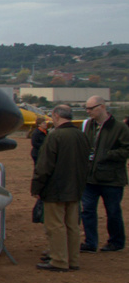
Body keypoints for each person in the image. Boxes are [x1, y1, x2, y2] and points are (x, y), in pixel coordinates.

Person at [32, 104, 92, 272]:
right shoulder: (81, 136)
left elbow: (44, 166)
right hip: (76, 188)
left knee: (55, 225)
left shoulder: (55, 136)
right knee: (72, 225)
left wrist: (37, 187)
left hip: (56, 189)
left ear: (56, 116)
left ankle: (58, 260)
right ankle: (73, 259)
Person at [80, 95, 128, 253]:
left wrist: (106, 155)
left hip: (112, 179)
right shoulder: (88, 126)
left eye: (91, 108)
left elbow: (126, 150)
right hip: (90, 178)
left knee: (113, 211)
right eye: (86, 108)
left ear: (102, 107)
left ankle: (116, 241)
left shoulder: (120, 128)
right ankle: (90, 242)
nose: (88, 111)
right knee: (87, 210)